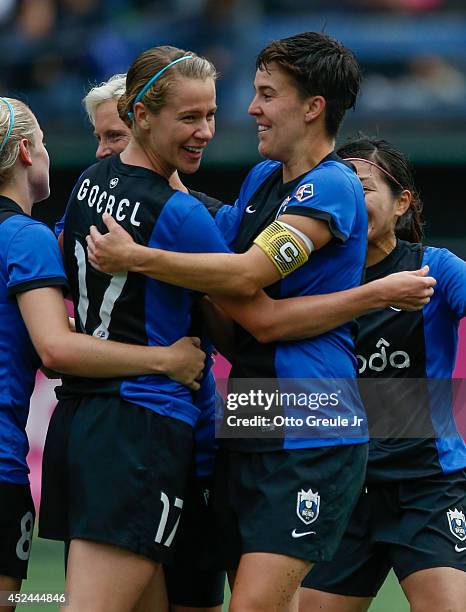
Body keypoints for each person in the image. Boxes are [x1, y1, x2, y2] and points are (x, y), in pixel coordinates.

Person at [84, 32, 387, 612]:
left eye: (266, 95)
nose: (252, 109)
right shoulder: (259, 182)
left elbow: (244, 277)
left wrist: (137, 257)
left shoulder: (333, 186)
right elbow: (213, 275)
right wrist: (146, 164)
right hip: (248, 416)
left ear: (313, 106)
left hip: (312, 425)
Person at [38, 45, 237, 612]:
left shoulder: (88, 182)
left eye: (211, 116)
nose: (205, 132)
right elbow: (255, 316)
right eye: (189, 118)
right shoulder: (180, 213)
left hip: (84, 421)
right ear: (141, 116)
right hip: (139, 430)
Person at [0, 96, 205, 611]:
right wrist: (166, 360)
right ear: (26, 152)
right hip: (123, 426)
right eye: (46, 143)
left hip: (90, 425)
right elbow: (55, 347)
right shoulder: (25, 237)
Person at [298, 137, 466, 612]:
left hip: (426, 488)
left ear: (401, 204)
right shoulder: (310, 280)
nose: (350, 199)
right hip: (341, 488)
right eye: (341, 188)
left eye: (364, 187)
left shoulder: (436, 269)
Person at [82, 73, 227, 612]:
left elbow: (243, 306)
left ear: (141, 121)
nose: (103, 154)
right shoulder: (103, 200)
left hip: (183, 440)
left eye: (113, 138)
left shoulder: (197, 214)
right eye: (97, 139)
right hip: (141, 429)